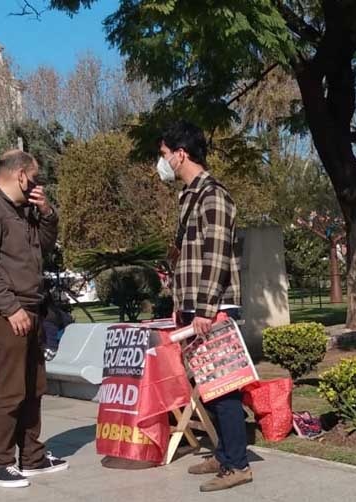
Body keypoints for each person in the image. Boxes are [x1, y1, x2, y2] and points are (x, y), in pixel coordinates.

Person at [0, 150, 67, 488]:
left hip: (30, 307)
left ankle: (33, 456)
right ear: (21, 175)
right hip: (2, 312)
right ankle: (1, 463)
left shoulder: (23, 211)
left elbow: (44, 246)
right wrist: (10, 308)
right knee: (9, 389)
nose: (37, 183)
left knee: (34, 387)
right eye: (35, 178)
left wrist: (47, 212)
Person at [157, 121, 251, 492]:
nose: (161, 163)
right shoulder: (192, 196)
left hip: (212, 308)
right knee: (208, 386)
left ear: (181, 154)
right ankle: (225, 453)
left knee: (224, 386)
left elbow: (216, 257)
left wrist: (205, 310)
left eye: (164, 155)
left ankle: (238, 464)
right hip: (197, 305)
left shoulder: (212, 196)